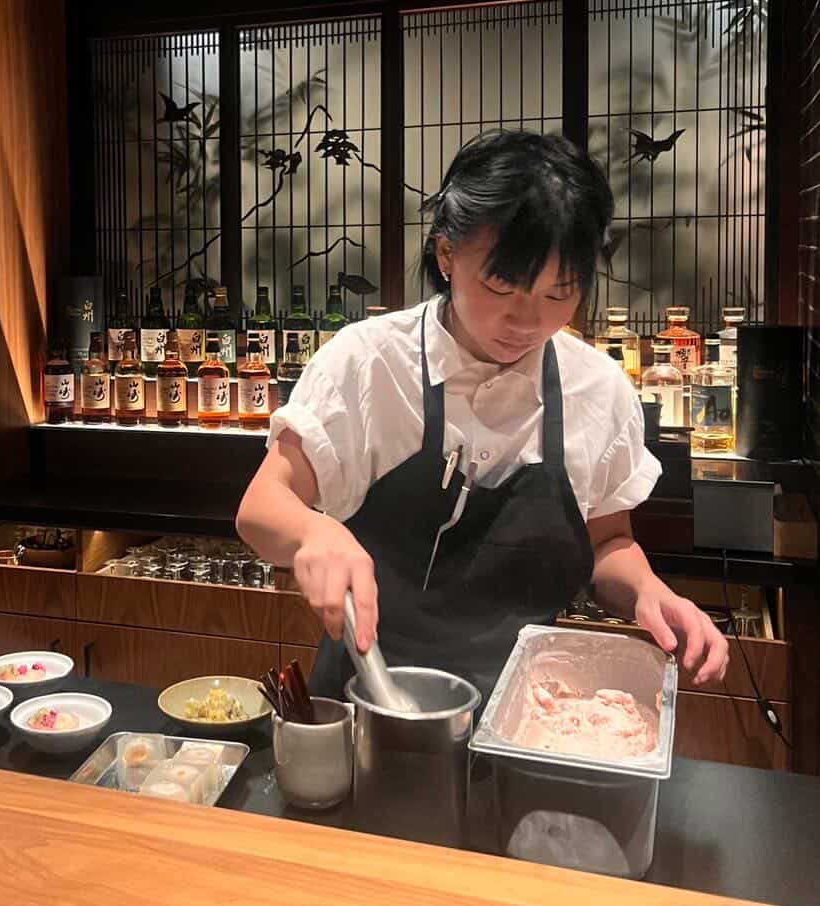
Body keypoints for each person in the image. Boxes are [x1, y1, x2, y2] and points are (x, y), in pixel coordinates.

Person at [237, 130, 728, 703]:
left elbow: (607, 542)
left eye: (558, 294)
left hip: (529, 710)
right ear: (447, 254)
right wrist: (312, 531)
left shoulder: (596, 388)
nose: (527, 320)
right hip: (366, 706)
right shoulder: (369, 363)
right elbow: (261, 507)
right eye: (501, 286)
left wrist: (647, 591)